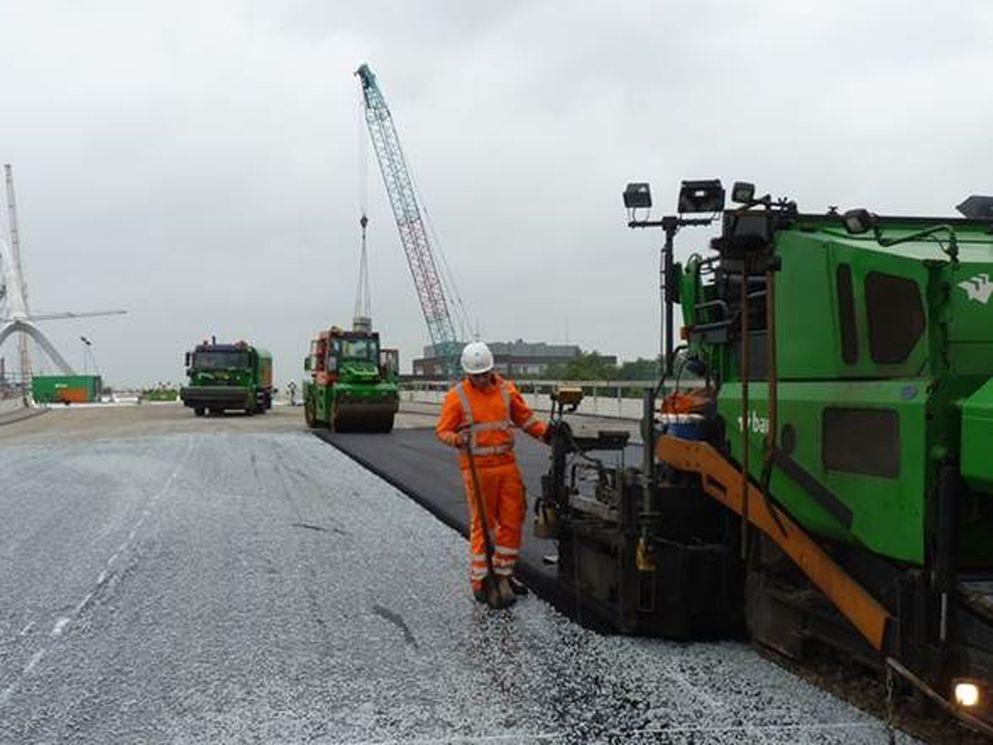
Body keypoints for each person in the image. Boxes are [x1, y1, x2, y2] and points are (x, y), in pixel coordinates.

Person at [435, 342, 553, 606]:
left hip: (506, 465)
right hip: (477, 469)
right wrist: (457, 438)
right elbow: (442, 430)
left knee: (512, 520)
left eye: (484, 374)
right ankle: (481, 580)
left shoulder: (506, 390)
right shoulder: (457, 397)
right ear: (467, 374)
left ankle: (503, 574)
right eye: (475, 375)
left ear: (492, 369)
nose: (480, 379)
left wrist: (549, 435)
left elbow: (526, 420)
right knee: (483, 525)